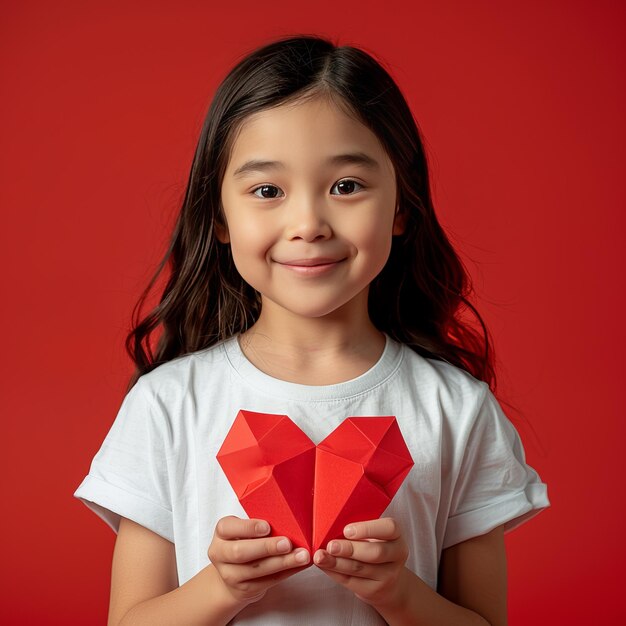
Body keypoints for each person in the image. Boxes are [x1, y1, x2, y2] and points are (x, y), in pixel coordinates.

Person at [74, 35, 549, 625]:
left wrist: (398, 593)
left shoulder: (457, 411)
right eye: (267, 191)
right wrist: (221, 588)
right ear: (219, 218)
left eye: (346, 186)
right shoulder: (168, 405)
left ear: (401, 205)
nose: (308, 224)